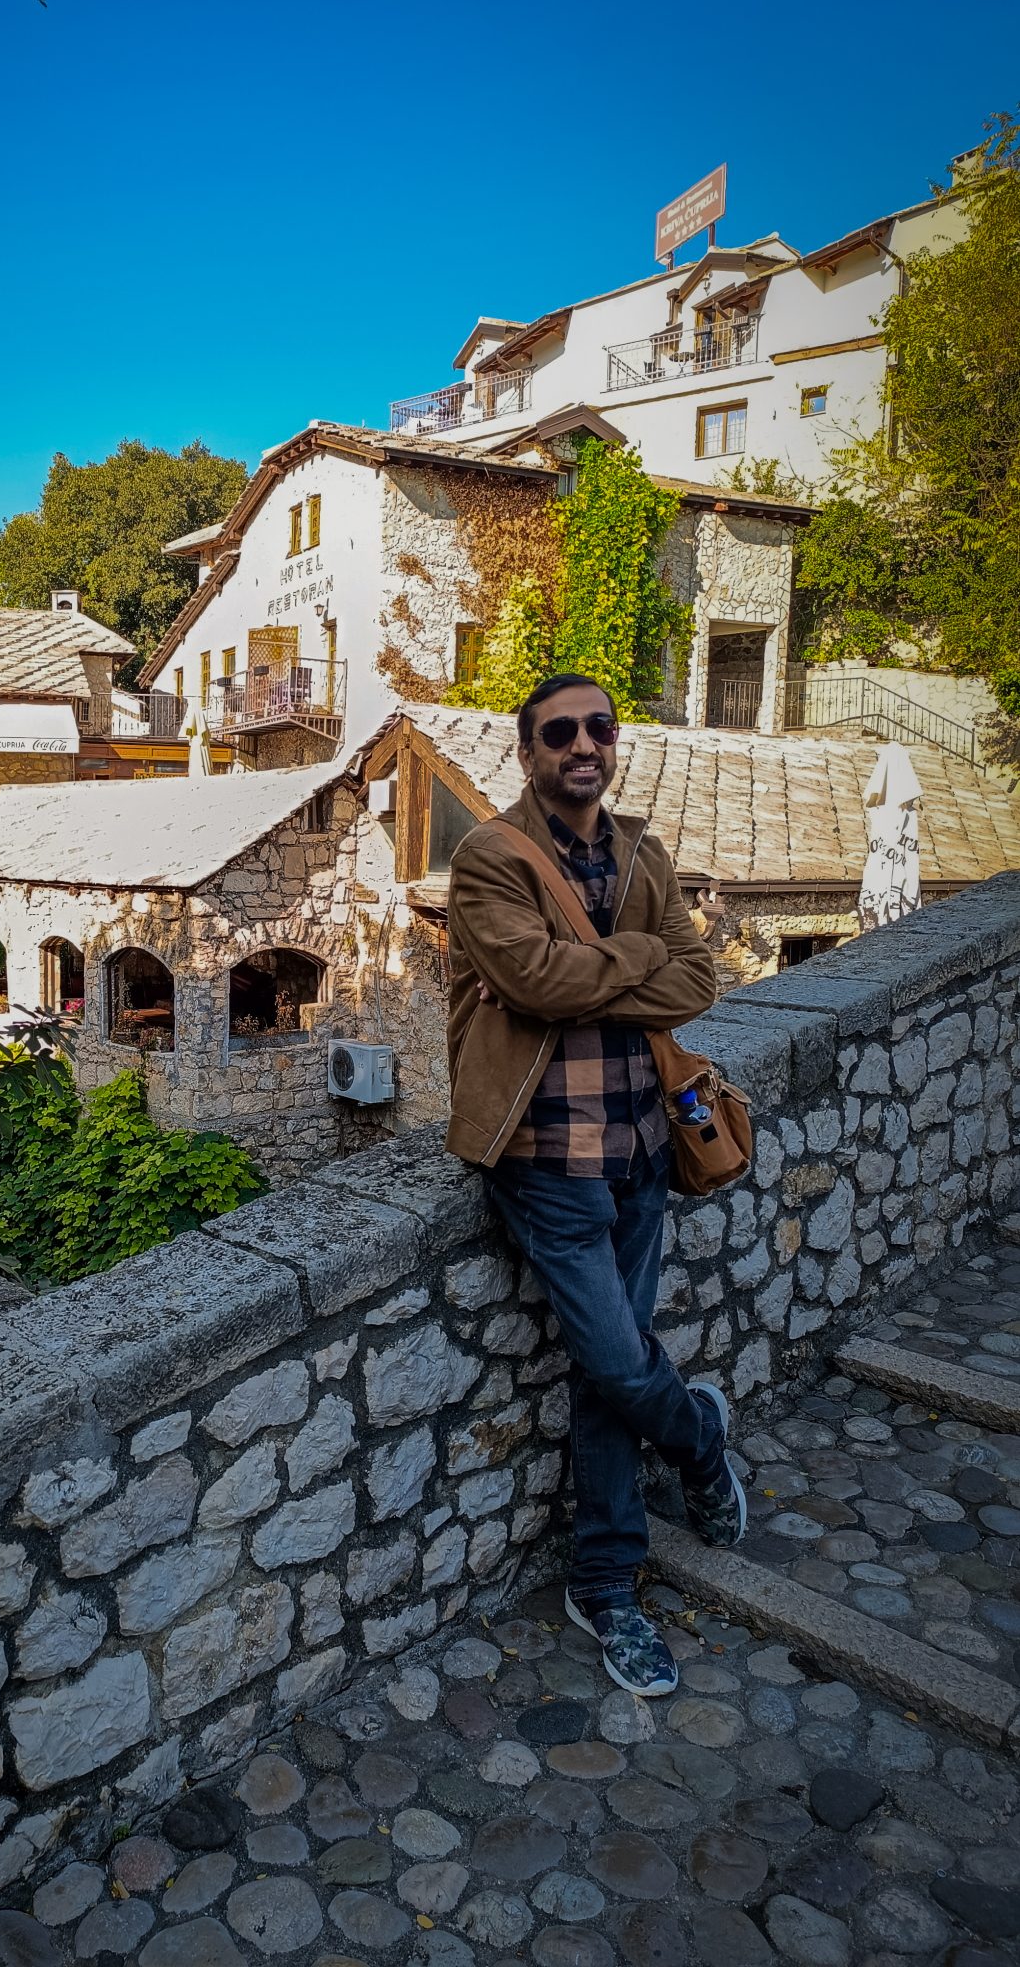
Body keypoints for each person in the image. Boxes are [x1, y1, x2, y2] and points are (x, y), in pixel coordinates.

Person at [445, 674, 746, 1697]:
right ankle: (700, 1438)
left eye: (599, 728)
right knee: (620, 1361)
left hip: (641, 1153)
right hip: (544, 1162)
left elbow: (699, 981)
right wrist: (637, 956)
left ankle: (604, 1582)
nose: (583, 744)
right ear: (528, 753)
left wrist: (590, 965)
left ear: (612, 745)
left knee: (602, 1374)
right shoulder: (490, 857)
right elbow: (532, 982)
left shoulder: (643, 855)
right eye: (559, 731)